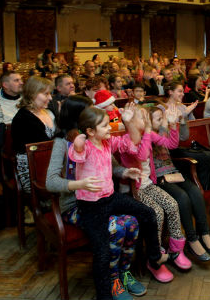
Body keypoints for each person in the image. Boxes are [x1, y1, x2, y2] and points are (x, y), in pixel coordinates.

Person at [46, 96, 147, 299]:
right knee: (117, 227)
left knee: (133, 222)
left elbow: (112, 166)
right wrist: (78, 185)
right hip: (74, 205)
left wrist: (124, 173)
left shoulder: (97, 139)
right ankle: (112, 280)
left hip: (102, 199)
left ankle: (123, 272)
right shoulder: (62, 142)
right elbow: (50, 182)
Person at [69, 106, 168, 299]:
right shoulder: (85, 145)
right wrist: (79, 142)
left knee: (148, 213)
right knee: (102, 251)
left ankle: (155, 256)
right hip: (91, 206)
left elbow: (129, 143)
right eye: (105, 126)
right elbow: (76, 155)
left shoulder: (107, 142)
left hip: (110, 198)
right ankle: (104, 295)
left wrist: (128, 121)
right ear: (90, 131)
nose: (109, 128)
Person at [119, 107, 193, 277]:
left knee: (172, 205)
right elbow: (141, 154)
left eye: (146, 117)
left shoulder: (148, 135)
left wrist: (173, 124)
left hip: (148, 185)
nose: (146, 121)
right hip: (134, 190)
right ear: (130, 121)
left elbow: (172, 144)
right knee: (157, 213)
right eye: (142, 117)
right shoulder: (126, 140)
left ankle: (175, 250)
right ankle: (155, 258)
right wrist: (147, 131)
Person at [149, 105, 210, 261]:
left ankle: (204, 233)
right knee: (182, 197)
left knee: (194, 191)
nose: (162, 121)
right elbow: (153, 145)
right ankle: (192, 239)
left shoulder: (162, 131)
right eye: (158, 119)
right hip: (160, 179)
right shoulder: (146, 135)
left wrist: (174, 125)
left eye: (162, 118)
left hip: (173, 174)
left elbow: (173, 144)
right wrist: (163, 126)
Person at [11, 76, 56, 193]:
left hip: (48, 162)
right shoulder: (24, 119)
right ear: (32, 94)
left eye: (50, 93)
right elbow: (44, 148)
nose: (50, 98)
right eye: (46, 94)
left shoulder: (46, 112)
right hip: (33, 170)